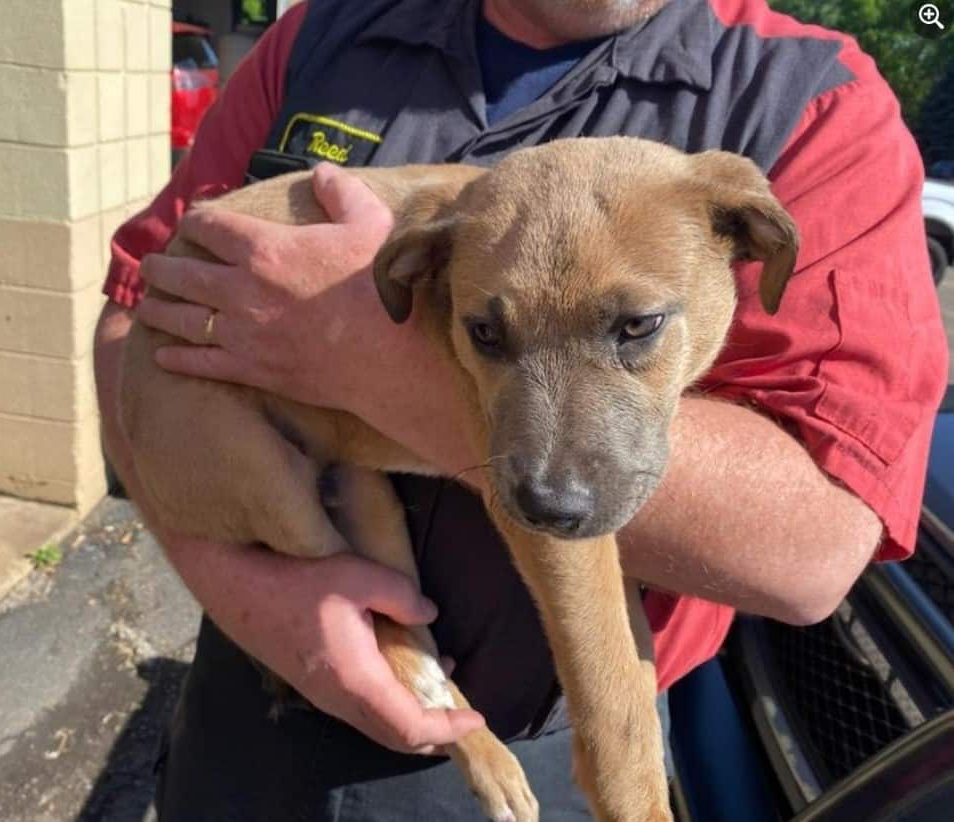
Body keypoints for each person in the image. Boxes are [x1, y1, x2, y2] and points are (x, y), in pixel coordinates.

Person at [93, 0, 947, 818]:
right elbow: (137, 312)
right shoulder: (319, 31)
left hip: (534, 741)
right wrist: (255, 592)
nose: (551, 475)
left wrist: (363, 359)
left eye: (636, 328)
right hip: (249, 706)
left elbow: (818, 552)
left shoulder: (807, 98)